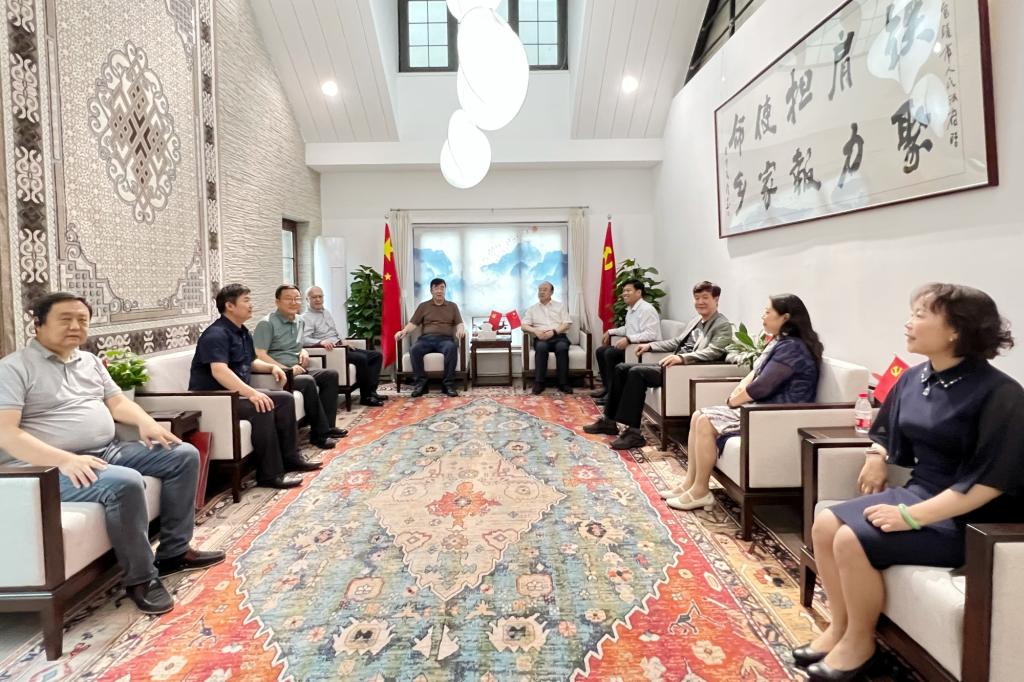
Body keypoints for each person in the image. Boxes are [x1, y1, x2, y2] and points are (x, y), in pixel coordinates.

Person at [794, 284, 1023, 682]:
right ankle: (841, 627)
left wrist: (912, 517)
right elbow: (885, 428)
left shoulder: (1001, 394)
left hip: (970, 519)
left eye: (920, 315)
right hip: (920, 490)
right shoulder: (917, 377)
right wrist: (876, 456)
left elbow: (990, 483)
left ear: (955, 330)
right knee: (825, 523)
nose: (908, 323)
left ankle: (861, 644)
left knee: (850, 538)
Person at [0, 293, 225, 615]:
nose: (75, 326)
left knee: (183, 455)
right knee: (125, 482)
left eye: (82, 320)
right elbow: (6, 432)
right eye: (65, 319)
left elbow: (117, 403)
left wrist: (146, 422)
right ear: (37, 324)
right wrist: (64, 459)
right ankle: (141, 579)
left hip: (105, 451)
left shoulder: (89, 361)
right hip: (46, 467)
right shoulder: (13, 369)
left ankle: (174, 553)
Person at [667, 294, 822, 511]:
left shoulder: (792, 348)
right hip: (762, 410)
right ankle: (690, 484)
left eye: (768, 312)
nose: (763, 316)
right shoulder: (783, 343)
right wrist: (738, 394)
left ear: (785, 317)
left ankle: (701, 491)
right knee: (697, 416)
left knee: (705, 421)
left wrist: (734, 400)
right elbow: (756, 375)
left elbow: (762, 386)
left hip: (774, 415)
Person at [190, 284, 322, 490]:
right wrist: (251, 393)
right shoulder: (216, 334)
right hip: (216, 399)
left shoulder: (242, 331)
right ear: (230, 306)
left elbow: (251, 362)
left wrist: (271, 367)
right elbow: (219, 371)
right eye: (246, 301)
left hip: (235, 395)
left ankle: (291, 458)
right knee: (262, 406)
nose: (251, 305)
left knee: (285, 399)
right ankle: (269, 475)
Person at [584, 281, 733, 449]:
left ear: (716, 299)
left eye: (705, 298)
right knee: (621, 368)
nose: (700, 302)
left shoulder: (722, 325)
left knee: (636, 372)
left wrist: (683, 358)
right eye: (697, 298)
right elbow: (676, 342)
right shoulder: (696, 320)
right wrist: (651, 346)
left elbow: (713, 352)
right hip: (673, 367)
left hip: (686, 371)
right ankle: (609, 421)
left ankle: (634, 433)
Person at [254, 285, 347, 449]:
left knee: (330, 375)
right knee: (308, 381)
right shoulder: (266, 324)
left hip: (297, 369)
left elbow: (298, 345)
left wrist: (303, 351)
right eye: (288, 298)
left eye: (296, 298)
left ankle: (329, 426)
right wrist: (286, 369)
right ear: (277, 302)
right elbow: (260, 355)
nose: (293, 302)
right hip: (279, 374)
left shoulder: (299, 321)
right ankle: (319, 435)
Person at [302, 285, 386, 407]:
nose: (318, 299)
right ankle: (366, 397)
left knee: (376, 356)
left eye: (320, 296)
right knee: (361, 359)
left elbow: (333, 332)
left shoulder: (326, 312)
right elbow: (304, 339)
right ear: (307, 299)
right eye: (314, 297)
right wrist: (321, 342)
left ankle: (372, 392)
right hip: (332, 351)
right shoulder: (305, 318)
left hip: (341, 346)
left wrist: (343, 340)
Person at [395, 278, 466, 397]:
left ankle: (448, 385)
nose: (439, 291)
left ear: (445, 290)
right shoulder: (423, 306)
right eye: (436, 288)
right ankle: (421, 385)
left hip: (445, 340)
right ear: (431, 291)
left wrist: (461, 329)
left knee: (451, 348)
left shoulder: (452, 306)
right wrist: (403, 331)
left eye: (442, 288)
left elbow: (459, 323)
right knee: (414, 349)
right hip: (426, 339)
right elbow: (413, 323)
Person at [592, 280, 660, 402]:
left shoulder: (647, 309)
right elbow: (628, 328)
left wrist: (629, 339)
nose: (624, 293)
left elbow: (651, 334)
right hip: (632, 346)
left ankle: (614, 396)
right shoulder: (631, 309)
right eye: (623, 291)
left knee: (610, 354)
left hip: (644, 349)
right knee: (601, 351)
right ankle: (608, 389)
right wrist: (610, 331)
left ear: (638, 292)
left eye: (628, 290)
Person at [522, 281, 574, 395]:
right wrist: (535, 331)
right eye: (540, 290)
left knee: (562, 348)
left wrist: (553, 332)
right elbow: (523, 325)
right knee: (541, 348)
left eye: (545, 290)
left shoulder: (560, 306)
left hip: (558, 336)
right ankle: (539, 382)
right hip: (541, 337)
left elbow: (567, 323)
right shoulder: (532, 309)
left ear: (551, 292)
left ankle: (563, 383)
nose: (541, 292)